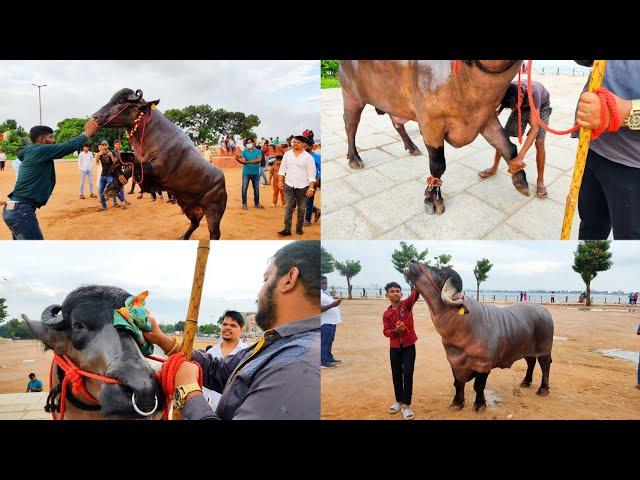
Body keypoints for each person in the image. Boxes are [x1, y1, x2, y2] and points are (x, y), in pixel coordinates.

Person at [142, 241, 320, 419]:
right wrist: (161, 339)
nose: (259, 294)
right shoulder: (278, 345)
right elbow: (217, 370)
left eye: (266, 279)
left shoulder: (299, 365)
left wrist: (188, 391)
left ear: (289, 279)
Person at [574, 61, 640, 239]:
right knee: (590, 228)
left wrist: (626, 112)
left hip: (633, 165)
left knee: (630, 242)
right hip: (593, 148)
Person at [2, 120, 99, 239]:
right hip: (21, 211)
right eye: (51, 137)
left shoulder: (29, 151)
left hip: (14, 209)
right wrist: (88, 132)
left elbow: (20, 151)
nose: (54, 140)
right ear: (42, 140)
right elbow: (68, 147)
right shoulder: (41, 150)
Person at [478, 81, 552, 197]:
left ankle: (540, 180)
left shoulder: (534, 93)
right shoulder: (510, 88)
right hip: (522, 105)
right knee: (503, 138)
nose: (514, 108)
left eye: (514, 106)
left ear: (521, 96)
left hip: (541, 107)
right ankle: (494, 167)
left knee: (540, 142)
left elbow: (535, 128)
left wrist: (520, 157)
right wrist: (500, 110)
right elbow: (507, 98)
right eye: (512, 107)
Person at [383, 281, 419, 420]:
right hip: (395, 347)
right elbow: (385, 332)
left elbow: (416, 293)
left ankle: (406, 405)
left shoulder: (407, 305)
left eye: (398, 291)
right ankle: (398, 401)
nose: (395, 293)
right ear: (387, 295)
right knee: (396, 374)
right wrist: (395, 331)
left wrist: (416, 277)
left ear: (401, 294)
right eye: (392, 291)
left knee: (408, 374)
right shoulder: (386, 314)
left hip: (409, 346)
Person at [201, 311, 249, 409]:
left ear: (241, 330)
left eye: (233, 325)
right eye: (225, 324)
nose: (227, 327)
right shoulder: (211, 353)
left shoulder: (247, 354)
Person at [277, 136, 317, 236]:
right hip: (289, 185)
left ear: (304, 144)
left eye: (298, 142)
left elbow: (311, 175)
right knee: (288, 207)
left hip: (303, 186)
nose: (295, 144)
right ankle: (287, 229)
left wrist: (311, 188)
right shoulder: (287, 154)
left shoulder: (308, 157)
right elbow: (282, 169)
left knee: (301, 208)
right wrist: (280, 181)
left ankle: (299, 228)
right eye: (294, 142)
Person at [235, 138, 264, 210]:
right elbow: (243, 161)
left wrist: (247, 162)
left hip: (255, 173)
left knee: (256, 189)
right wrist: (238, 159)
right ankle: (244, 204)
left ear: (254, 143)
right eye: (247, 143)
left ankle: (257, 203)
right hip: (246, 173)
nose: (249, 144)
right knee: (244, 188)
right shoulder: (244, 152)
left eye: (250, 142)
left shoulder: (258, 151)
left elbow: (259, 160)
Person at [96, 140, 125, 211]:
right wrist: (98, 155)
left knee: (114, 189)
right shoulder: (100, 153)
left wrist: (111, 155)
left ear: (107, 146)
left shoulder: (111, 153)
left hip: (110, 175)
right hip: (103, 175)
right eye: (103, 145)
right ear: (101, 146)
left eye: (105, 145)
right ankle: (104, 206)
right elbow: (97, 162)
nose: (104, 146)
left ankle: (123, 201)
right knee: (100, 191)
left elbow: (115, 162)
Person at [320, 275, 342, 369]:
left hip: (332, 322)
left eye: (326, 282)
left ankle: (329, 358)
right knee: (324, 342)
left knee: (329, 341)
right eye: (323, 283)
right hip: (325, 323)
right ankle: (323, 362)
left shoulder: (325, 293)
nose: (325, 284)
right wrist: (333, 305)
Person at [303, 140, 321, 225]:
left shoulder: (316, 157)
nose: (303, 147)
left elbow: (320, 169)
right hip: (301, 181)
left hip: (312, 181)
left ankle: (307, 220)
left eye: (305, 146)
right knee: (302, 201)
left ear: (310, 146)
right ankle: (316, 210)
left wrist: (317, 178)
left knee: (309, 200)